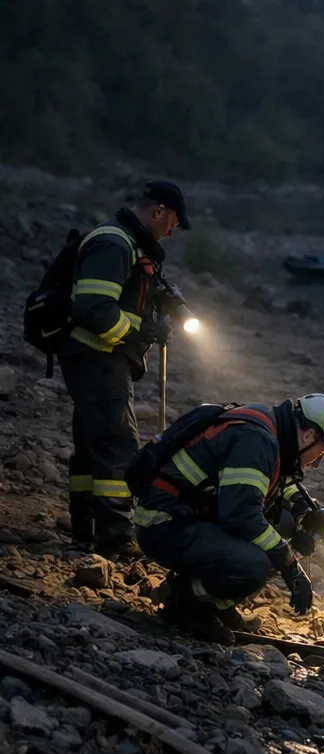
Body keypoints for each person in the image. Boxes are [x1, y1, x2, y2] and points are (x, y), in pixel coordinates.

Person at [132, 394, 324, 645]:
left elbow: (267, 484)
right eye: (321, 453)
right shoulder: (256, 440)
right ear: (309, 435)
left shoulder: (272, 431)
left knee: (280, 526)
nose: (317, 463)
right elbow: (241, 515)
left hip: (184, 516)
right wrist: (290, 565)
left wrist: (305, 510)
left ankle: (216, 603)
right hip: (163, 523)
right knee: (256, 563)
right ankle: (188, 605)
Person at [59, 180, 191, 556]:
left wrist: (162, 301)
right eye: (172, 223)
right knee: (118, 444)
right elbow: (93, 308)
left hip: (95, 357)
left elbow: (125, 293)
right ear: (158, 211)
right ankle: (116, 535)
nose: (171, 232)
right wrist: (139, 331)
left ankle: (85, 527)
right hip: (98, 356)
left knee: (92, 443)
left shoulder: (129, 243)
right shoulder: (114, 243)